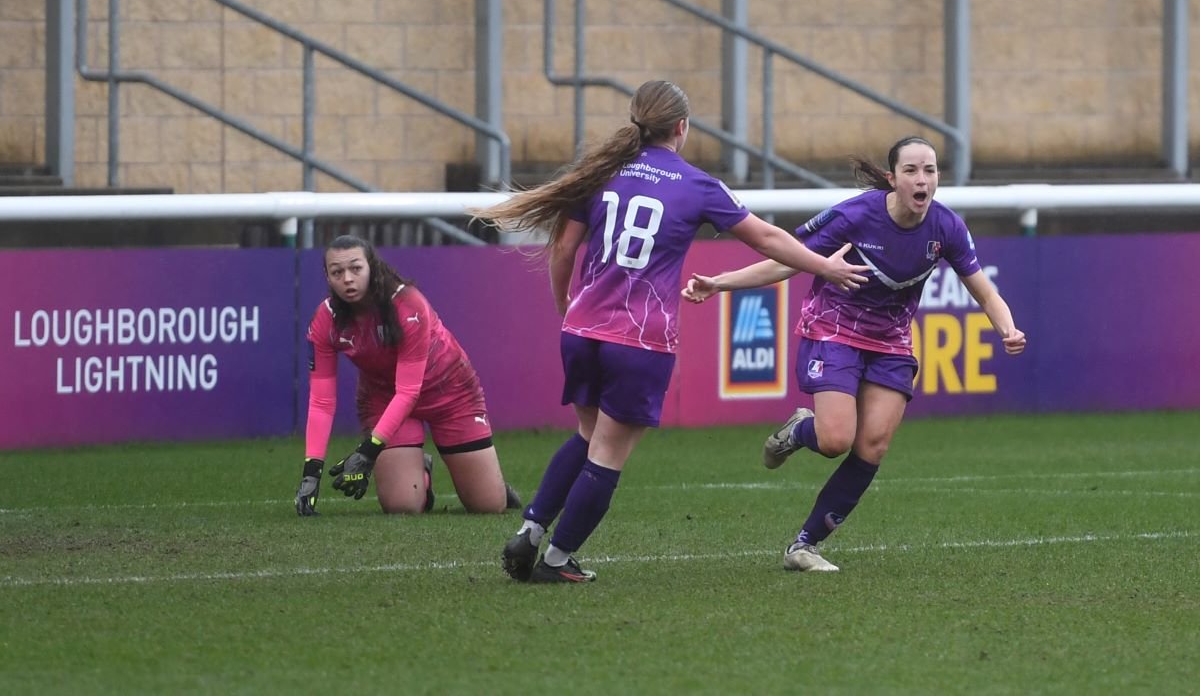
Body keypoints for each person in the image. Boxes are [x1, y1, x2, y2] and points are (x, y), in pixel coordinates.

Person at [470, 79, 870, 584]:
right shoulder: (696, 183)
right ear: (682, 127)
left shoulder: (599, 173)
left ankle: (531, 530)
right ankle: (555, 558)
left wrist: (565, 308)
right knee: (608, 453)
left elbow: (564, 251)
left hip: (582, 329)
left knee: (588, 433)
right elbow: (766, 237)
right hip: (640, 341)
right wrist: (825, 267)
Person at [683, 135, 1027, 572]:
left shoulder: (946, 228)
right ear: (892, 178)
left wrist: (1008, 328)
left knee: (873, 445)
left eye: (930, 170)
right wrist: (721, 282)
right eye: (911, 171)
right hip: (833, 332)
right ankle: (797, 432)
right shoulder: (856, 215)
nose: (923, 180)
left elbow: (983, 290)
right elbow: (788, 259)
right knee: (835, 441)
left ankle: (805, 546)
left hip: (891, 343)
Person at [294, 234, 521, 517]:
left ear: (372, 268)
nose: (348, 279)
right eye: (337, 272)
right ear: (327, 277)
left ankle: (491, 486)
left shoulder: (408, 304)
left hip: (450, 391)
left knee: (488, 506)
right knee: (402, 506)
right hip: (383, 396)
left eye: (356, 268)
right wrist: (311, 472)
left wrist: (367, 451)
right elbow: (321, 402)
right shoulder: (325, 319)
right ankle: (421, 474)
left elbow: (409, 392)